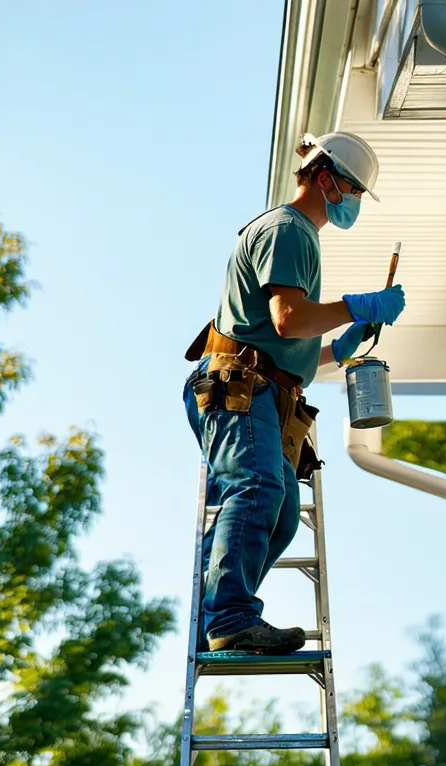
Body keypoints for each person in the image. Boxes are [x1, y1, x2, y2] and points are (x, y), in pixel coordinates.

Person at [182, 132, 406, 654]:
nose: (352, 203)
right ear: (327, 178)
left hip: (262, 386)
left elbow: (289, 349)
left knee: (279, 513)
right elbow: (287, 322)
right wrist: (357, 306)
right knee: (257, 491)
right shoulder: (289, 230)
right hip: (240, 386)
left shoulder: (298, 234)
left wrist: (340, 349)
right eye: (351, 190)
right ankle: (230, 616)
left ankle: (223, 612)